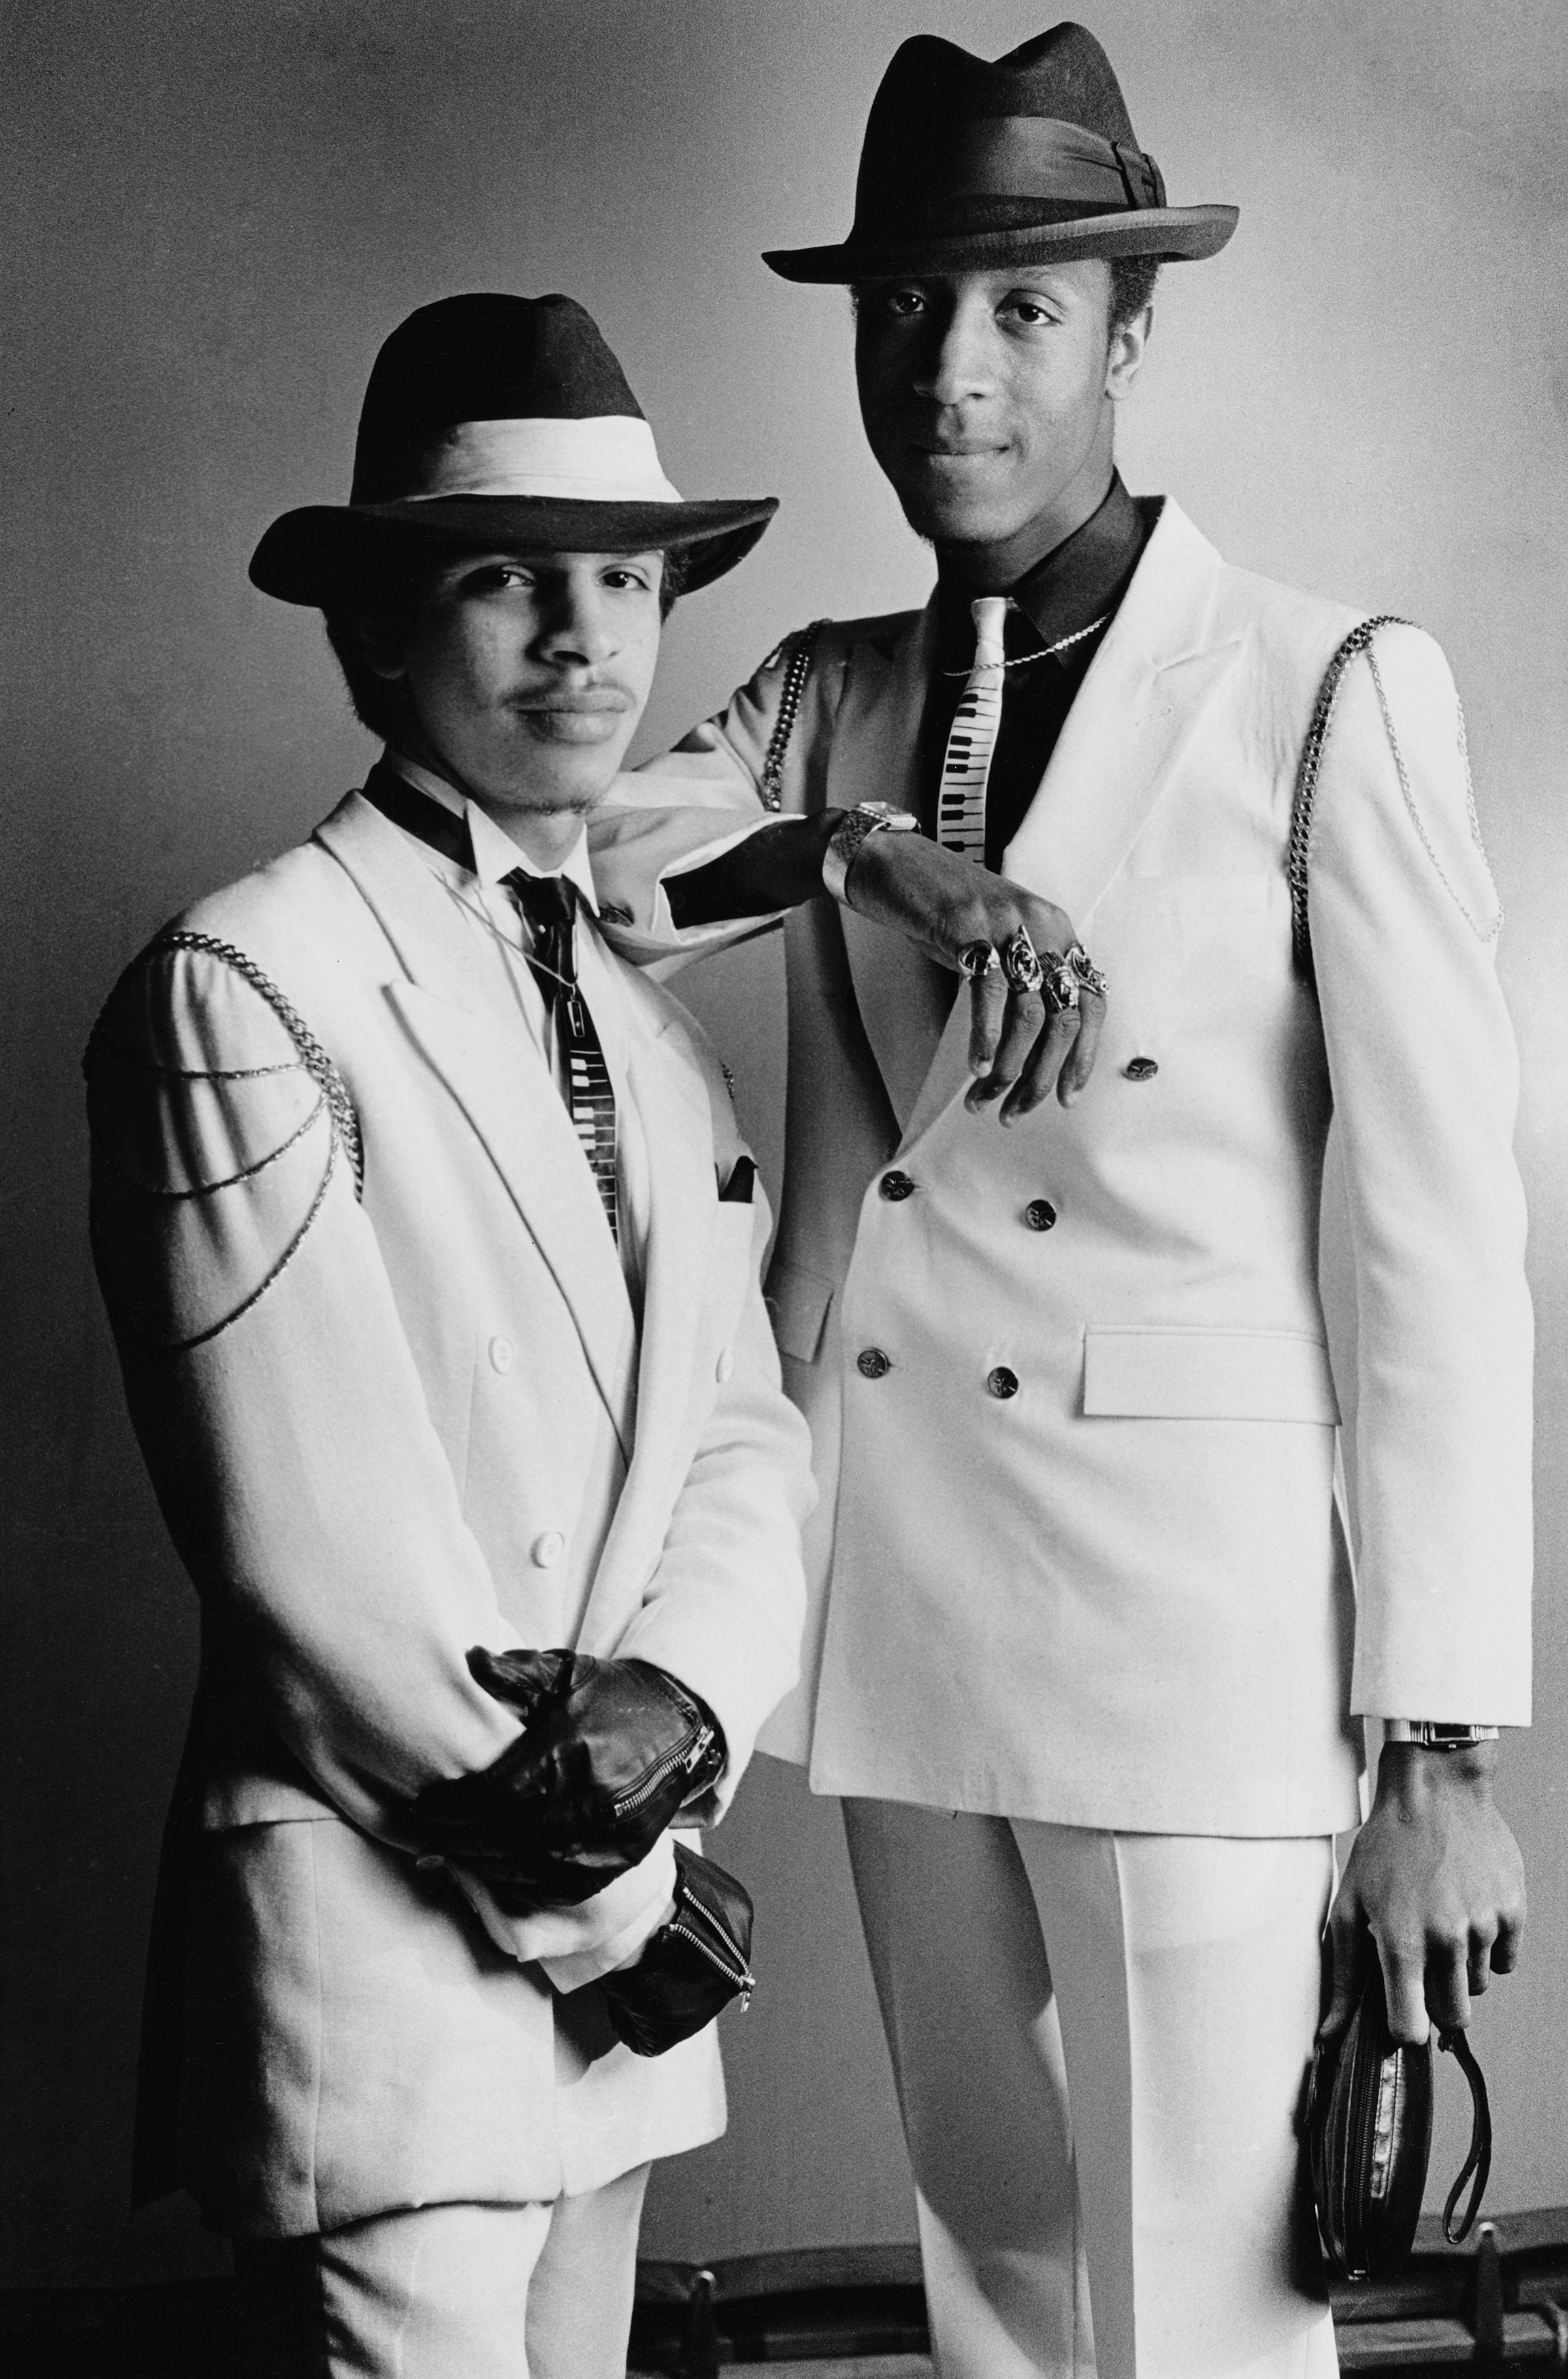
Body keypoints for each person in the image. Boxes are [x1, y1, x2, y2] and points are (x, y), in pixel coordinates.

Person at [585, 24, 1533, 2376]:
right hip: (907, 1616)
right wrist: (864, 853)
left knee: (1200, 2332)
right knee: (1000, 2309)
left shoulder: (1322, 692)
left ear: (1131, 331)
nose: (952, 371)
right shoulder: (828, 701)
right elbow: (587, 863)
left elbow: (1433, 1258)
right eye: (908, 307)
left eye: (1021, 310)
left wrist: (1435, 1756)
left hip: (1192, 1654)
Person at [84, 291, 812, 2379]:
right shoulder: (248, 984)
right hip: (399, 1980)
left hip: (614, 2020)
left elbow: (744, 1434)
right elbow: (324, 1583)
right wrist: (620, 1913)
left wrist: (686, 1695)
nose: (585, 639)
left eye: (624, 579)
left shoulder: (651, 1032)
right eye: (511, 579)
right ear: (379, 628)